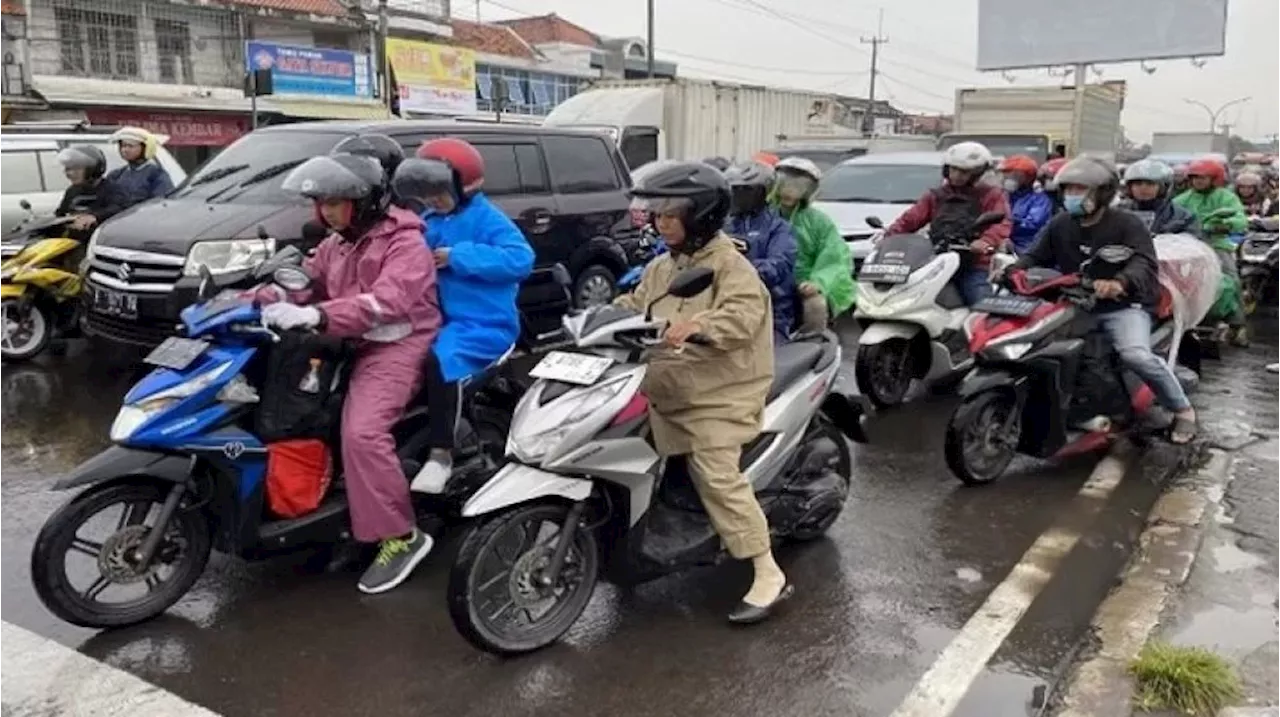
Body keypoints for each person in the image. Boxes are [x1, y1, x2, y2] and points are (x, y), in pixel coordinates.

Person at [260, 149, 442, 594]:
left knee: (361, 434)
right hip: (345, 341)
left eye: (336, 201)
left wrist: (317, 317)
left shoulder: (405, 242)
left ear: (365, 201)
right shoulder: (338, 243)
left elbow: (388, 303)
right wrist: (243, 302)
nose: (326, 211)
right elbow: (304, 282)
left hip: (396, 344)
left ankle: (402, 536)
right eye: (322, 202)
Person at [616, 159, 791, 624]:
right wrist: (597, 319)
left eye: (672, 215)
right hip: (666, 381)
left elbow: (739, 319)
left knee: (715, 473)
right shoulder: (661, 266)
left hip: (721, 390)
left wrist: (697, 325)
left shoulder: (732, 267)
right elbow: (634, 306)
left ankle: (766, 568)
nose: (662, 222)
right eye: (658, 214)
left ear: (702, 215)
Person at [1009, 156, 1197, 444]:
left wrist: (1119, 282)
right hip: (1075, 300)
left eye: (1081, 190)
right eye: (1069, 189)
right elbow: (1035, 255)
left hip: (1124, 305)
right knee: (1034, 345)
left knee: (1135, 354)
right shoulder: (1061, 223)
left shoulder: (1127, 224)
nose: (1073, 196)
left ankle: (1183, 410)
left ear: (1103, 192)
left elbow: (1144, 263)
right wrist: (1013, 269)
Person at [395, 138, 534, 493]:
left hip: (482, 324)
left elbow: (521, 259)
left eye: (439, 193)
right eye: (427, 194)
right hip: (436, 320)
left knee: (442, 361)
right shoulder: (429, 220)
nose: (432, 201)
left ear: (464, 186)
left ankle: (441, 455)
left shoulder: (488, 219)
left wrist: (459, 256)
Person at [885, 141, 1012, 304]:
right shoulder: (936, 195)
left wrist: (985, 241)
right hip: (935, 259)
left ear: (978, 173)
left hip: (973, 263)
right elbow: (911, 219)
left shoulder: (991, 195)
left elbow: (1002, 223)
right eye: (953, 169)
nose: (957, 175)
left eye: (964, 172)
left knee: (981, 301)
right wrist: (889, 236)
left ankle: (989, 326)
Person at [768, 157, 854, 332]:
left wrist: (817, 283)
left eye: (799, 186)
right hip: (765, 280)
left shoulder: (818, 222)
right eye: (784, 183)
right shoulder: (762, 215)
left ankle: (813, 344)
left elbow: (835, 259)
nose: (790, 191)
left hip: (801, 285)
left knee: (815, 305)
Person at [1174, 157, 1250, 346]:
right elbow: (1169, 217)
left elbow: (1240, 220)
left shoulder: (1226, 197)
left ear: (1214, 178)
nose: (1198, 181)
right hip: (1187, 246)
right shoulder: (1182, 199)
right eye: (1195, 177)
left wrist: (1223, 225)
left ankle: (1237, 326)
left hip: (1216, 245)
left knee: (1231, 279)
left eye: (1203, 177)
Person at [723, 161, 798, 342]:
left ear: (764, 192)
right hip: (723, 304)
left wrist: (741, 271)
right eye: (734, 190)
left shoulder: (778, 228)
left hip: (769, 309)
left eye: (746, 191)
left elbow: (779, 264)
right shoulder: (720, 225)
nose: (738, 196)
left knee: (769, 363)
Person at [52, 145, 127, 242]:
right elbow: (60, 214)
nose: (70, 173)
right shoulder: (72, 191)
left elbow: (119, 209)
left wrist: (94, 217)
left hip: (99, 243)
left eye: (76, 169)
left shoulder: (112, 189)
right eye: (68, 169)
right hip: (71, 243)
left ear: (93, 169)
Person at [1118, 159, 1200, 235]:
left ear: (1163, 188)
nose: (1143, 188)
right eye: (1137, 184)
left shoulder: (1181, 217)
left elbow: (1192, 244)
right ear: (1129, 188)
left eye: (1150, 184)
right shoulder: (1116, 213)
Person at [105, 127, 175, 207]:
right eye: (123, 146)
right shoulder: (116, 175)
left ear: (145, 148)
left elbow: (161, 203)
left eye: (131, 146)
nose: (125, 150)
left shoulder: (156, 174)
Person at [999, 154, 1055, 254]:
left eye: (1015, 176)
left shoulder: (1039, 199)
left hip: (1027, 248)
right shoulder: (1002, 196)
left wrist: (1009, 221)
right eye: (1006, 174)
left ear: (1028, 178)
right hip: (1000, 244)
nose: (1008, 178)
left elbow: (1033, 224)